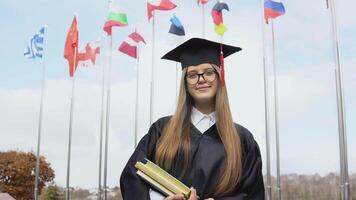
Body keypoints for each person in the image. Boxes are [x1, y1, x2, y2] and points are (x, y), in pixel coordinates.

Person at [120, 38, 265, 200]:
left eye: (209, 72)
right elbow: (131, 177)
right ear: (185, 83)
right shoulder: (162, 130)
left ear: (219, 77)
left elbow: (253, 193)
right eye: (192, 75)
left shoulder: (242, 139)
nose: (201, 79)